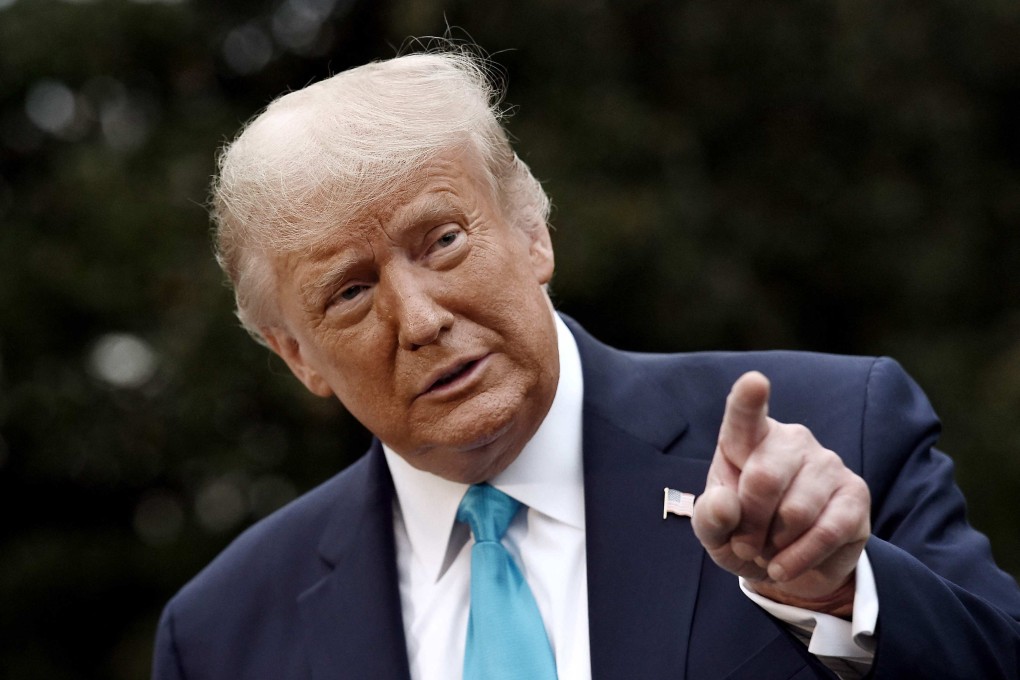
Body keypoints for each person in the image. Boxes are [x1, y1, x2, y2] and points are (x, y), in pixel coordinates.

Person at [152, 48, 1020, 680]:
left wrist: (838, 597)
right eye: (348, 293)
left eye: (444, 240)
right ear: (296, 355)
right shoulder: (222, 634)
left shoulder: (837, 429)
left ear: (533, 231)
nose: (417, 320)